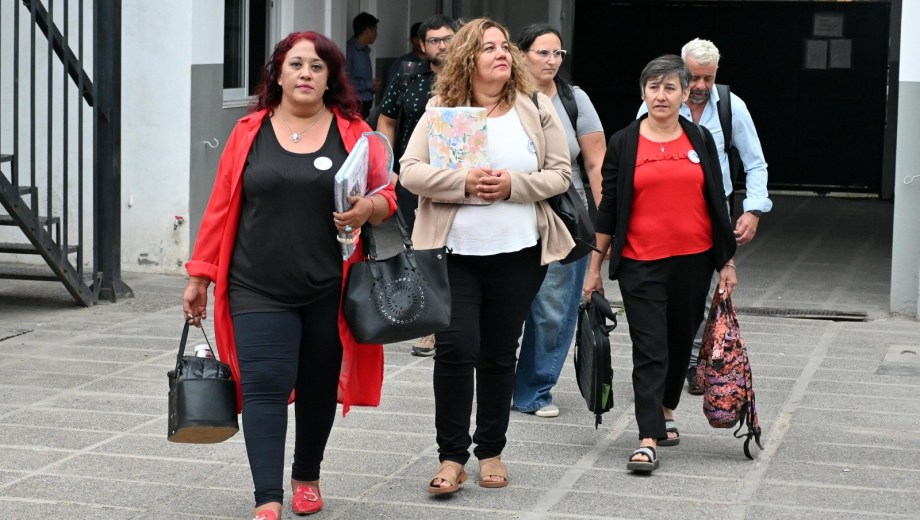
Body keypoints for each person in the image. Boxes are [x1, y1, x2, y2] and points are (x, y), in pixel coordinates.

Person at [182, 31, 397, 520]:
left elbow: (387, 195)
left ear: (330, 79)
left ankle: (306, 477)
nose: (306, 73)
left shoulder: (355, 133)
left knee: (318, 387)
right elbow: (220, 208)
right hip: (256, 284)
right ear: (278, 74)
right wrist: (200, 275)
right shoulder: (247, 131)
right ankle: (267, 498)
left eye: (317, 67)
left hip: (329, 286)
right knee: (264, 386)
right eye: (296, 64)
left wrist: (367, 208)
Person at [399, 17, 574, 494]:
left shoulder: (534, 106)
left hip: (517, 253)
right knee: (455, 350)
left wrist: (514, 185)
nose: (501, 53)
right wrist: (463, 182)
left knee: (498, 354)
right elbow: (409, 171)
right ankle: (452, 457)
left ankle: (491, 450)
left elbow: (560, 174)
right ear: (467, 59)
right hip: (453, 254)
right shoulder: (443, 108)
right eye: (487, 47)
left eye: (503, 46)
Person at [584, 55, 737, 474]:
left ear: (686, 93)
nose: (661, 95)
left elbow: (718, 201)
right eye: (654, 87)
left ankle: (667, 407)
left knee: (680, 340)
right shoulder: (624, 142)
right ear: (643, 92)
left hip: (694, 260)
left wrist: (726, 260)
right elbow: (609, 207)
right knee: (650, 348)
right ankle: (647, 437)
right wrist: (594, 268)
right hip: (641, 262)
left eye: (670, 87)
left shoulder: (700, 138)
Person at [638, 38, 771, 394]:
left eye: (707, 79)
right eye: (694, 77)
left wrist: (753, 209)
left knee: (707, 288)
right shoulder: (657, 102)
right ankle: (666, 356)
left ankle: (694, 359)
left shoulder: (731, 107)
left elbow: (756, 163)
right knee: (665, 286)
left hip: (713, 207)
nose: (700, 86)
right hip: (663, 210)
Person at [512, 23, 606, 418]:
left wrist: (606, 222)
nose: (552, 61)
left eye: (557, 54)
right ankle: (498, 381)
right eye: (543, 53)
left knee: (553, 310)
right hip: (511, 211)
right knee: (503, 305)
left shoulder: (574, 99)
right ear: (521, 55)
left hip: (565, 216)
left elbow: (596, 162)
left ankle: (534, 390)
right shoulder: (503, 97)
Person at [377, 14, 457, 357]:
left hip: (457, 180)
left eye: (448, 38)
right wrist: (387, 167)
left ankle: (455, 320)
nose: (443, 46)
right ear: (422, 45)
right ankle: (429, 326)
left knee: (454, 249)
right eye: (435, 40)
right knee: (421, 250)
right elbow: (387, 120)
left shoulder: (471, 76)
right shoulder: (408, 76)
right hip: (414, 178)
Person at [346, 12, 382, 119]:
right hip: (354, 104)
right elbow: (346, 81)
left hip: (365, 103)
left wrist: (373, 87)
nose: (376, 34)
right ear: (367, 32)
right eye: (375, 30)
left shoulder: (365, 51)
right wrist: (369, 84)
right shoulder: (349, 50)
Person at [384, 21, 424, 87]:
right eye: (416, 38)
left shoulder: (436, 62)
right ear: (411, 40)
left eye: (423, 38)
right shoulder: (403, 62)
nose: (420, 42)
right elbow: (391, 87)